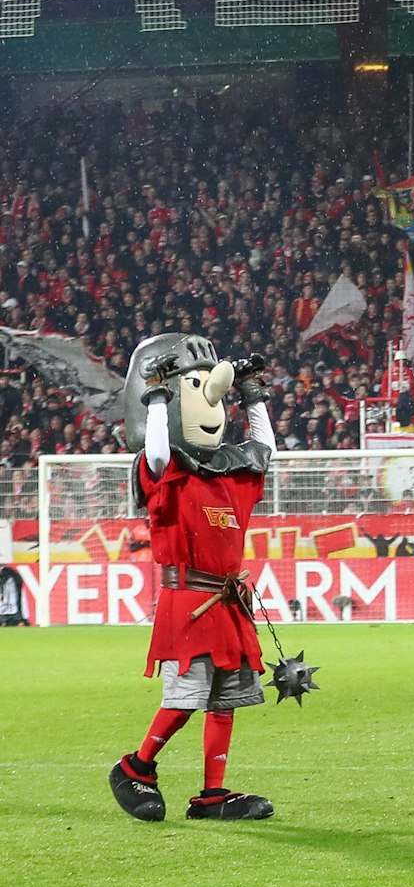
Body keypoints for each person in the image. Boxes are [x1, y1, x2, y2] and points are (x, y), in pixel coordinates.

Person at [109, 336, 278, 823]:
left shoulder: (228, 475)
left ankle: (212, 795)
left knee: (225, 699)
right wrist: (158, 395)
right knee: (185, 699)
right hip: (186, 599)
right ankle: (136, 767)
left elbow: (263, 449)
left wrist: (251, 395)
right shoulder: (166, 472)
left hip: (226, 602)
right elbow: (157, 453)